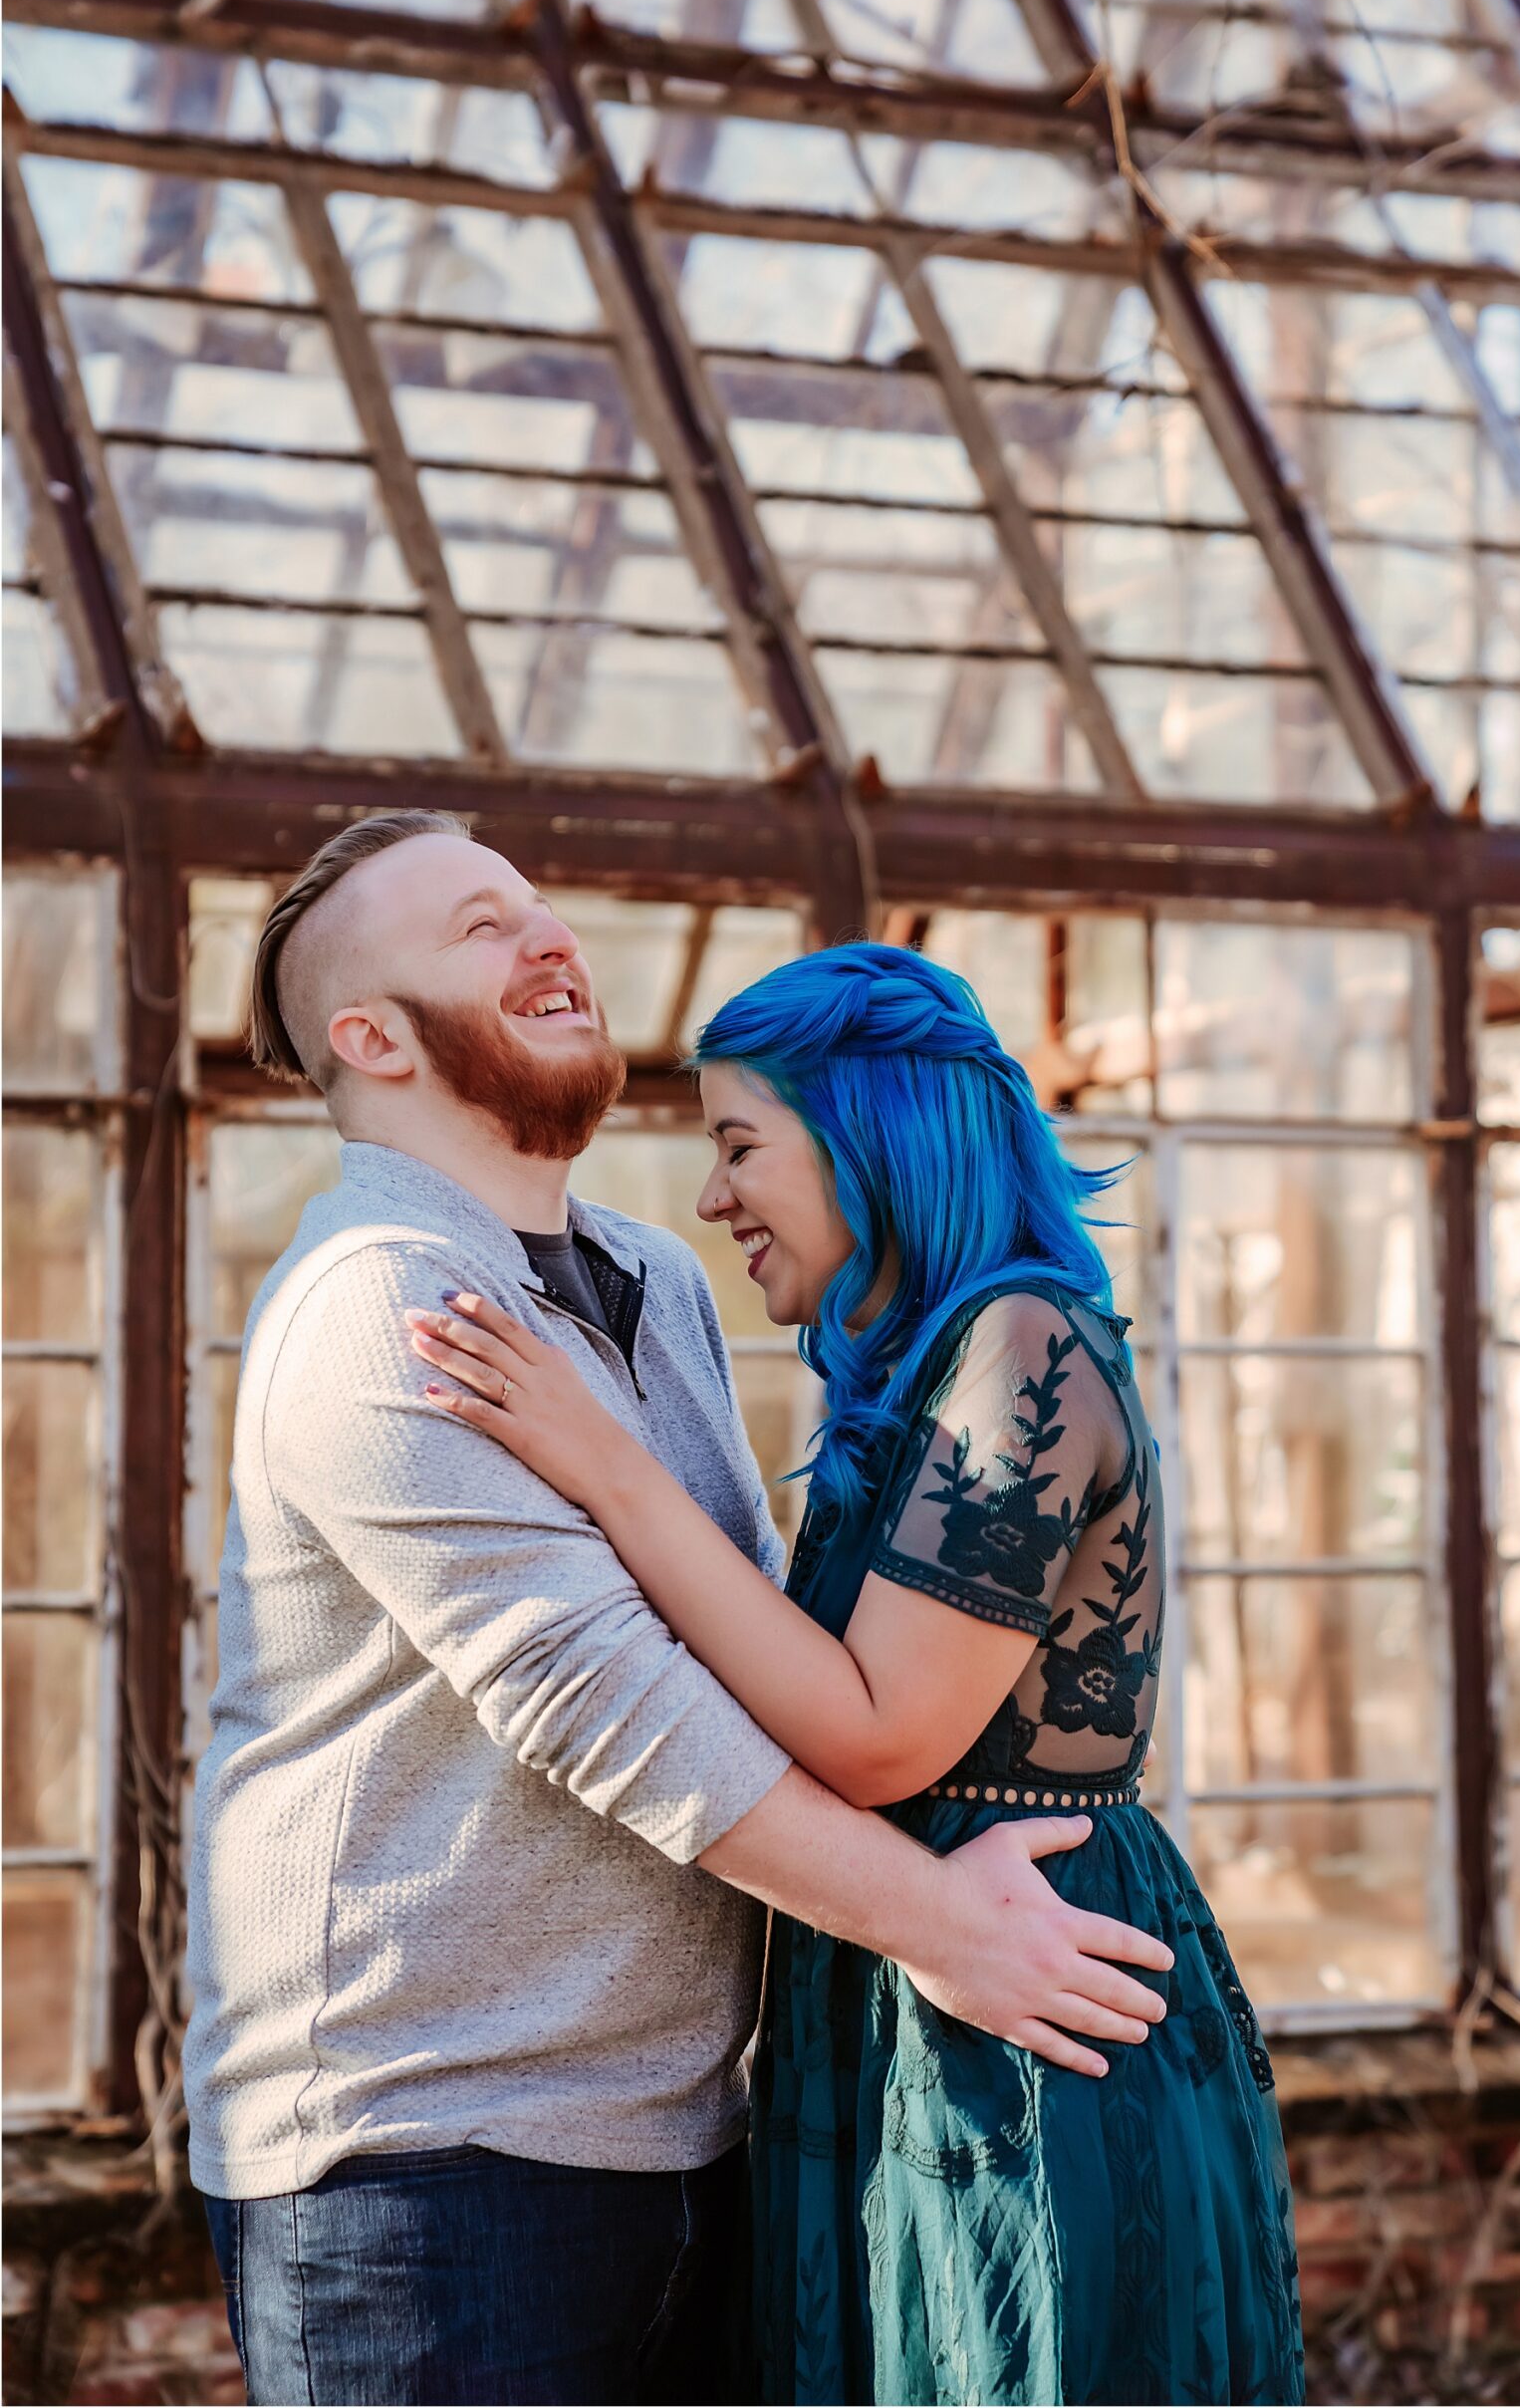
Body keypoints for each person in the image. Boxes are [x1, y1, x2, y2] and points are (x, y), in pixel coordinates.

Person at [182, 812, 1174, 2408]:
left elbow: (761, 1646)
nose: (548, 935)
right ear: (367, 1038)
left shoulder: (652, 1279)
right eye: (479, 928)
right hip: (428, 2164)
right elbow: (605, 1701)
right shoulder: (384, 1297)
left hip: (696, 2133)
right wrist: (941, 1924)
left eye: (537, 906)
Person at [409, 940, 1307, 2408]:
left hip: (1021, 1994)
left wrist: (606, 1467)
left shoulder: (1026, 1347)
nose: (712, 1200)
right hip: (902, 1974)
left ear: (867, 1138)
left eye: (739, 1145)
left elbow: (882, 1737)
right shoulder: (923, 1367)